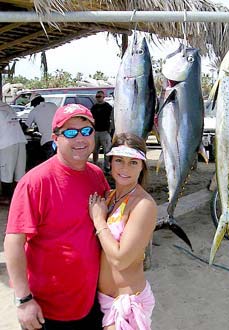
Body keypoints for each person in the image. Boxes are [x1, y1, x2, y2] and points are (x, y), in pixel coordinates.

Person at [4, 104, 110, 330]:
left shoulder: (97, 175)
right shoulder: (35, 182)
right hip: (47, 310)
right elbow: (14, 242)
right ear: (55, 138)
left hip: (91, 302)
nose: (80, 138)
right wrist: (23, 300)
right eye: (70, 132)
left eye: (86, 130)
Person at [88, 132, 157, 330]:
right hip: (102, 301)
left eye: (133, 162)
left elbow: (120, 259)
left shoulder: (143, 205)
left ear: (143, 166)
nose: (125, 168)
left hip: (127, 303)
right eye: (119, 160)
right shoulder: (109, 198)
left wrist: (99, 220)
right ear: (110, 162)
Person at [0, 100, 27, 205]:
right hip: (20, 140)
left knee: (6, 171)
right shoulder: (7, 107)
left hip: (6, 144)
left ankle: (7, 197)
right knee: (19, 172)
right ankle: (20, 197)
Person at [25, 95, 58, 160]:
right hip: (59, 138)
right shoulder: (53, 105)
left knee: (50, 162)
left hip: (47, 140)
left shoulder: (34, 111)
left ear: (34, 103)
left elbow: (25, 127)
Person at [91, 90, 113, 173]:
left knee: (107, 151)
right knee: (95, 150)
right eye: (97, 96)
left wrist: (110, 131)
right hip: (96, 131)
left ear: (103, 97)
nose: (98, 98)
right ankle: (95, 165)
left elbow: (112, 119)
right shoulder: (94, 107)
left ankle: (106, 167)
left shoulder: (108, 107)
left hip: (105, 132)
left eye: (99, 96)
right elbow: (92, 119)